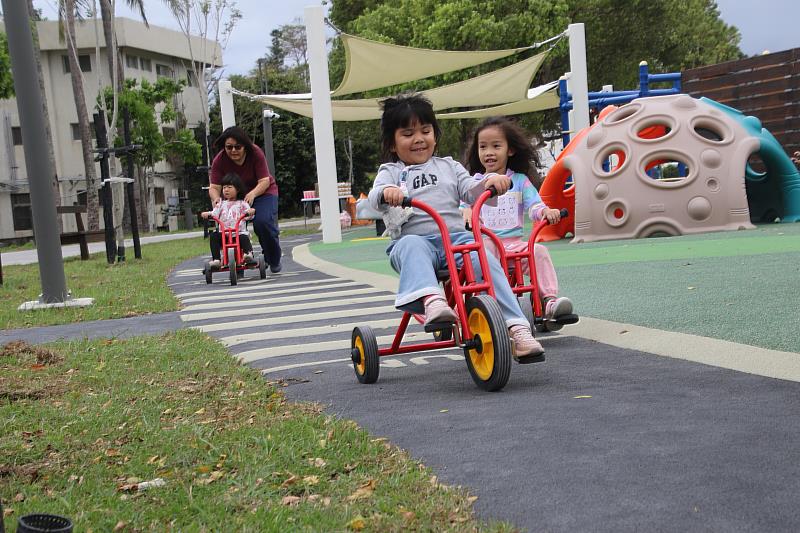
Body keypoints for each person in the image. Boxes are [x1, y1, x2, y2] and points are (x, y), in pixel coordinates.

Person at [366, 93, 545, 362]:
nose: (418, 139)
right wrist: (386, 192)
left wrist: (490, 182)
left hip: (456, 240)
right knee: (411, 245)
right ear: (392, 143)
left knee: (483, 257)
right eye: (408, 133)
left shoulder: (448, 166)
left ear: (434, 135)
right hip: (415, 241)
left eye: (425, 131)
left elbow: (472, 189)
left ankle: (518, 328)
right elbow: (374, 196)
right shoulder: (390, 171)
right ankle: (433, 302)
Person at [462, 116, 573, 327]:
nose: (488, 153)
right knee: (484, 253)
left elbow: (535, 206)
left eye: (496, 146)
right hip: (487, 244)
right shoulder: (474, 183)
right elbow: (464, 206)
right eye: (483, 147)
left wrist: (546, 212)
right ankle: (492, 305)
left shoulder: (520, 181)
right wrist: (466, 212)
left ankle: (549, 300)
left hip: (514, 245)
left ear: (510, 150)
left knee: (538, 251)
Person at [209, 126, 282, 273]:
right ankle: (236, 260)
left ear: (245, 146)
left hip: (262, 192)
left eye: (238, 147)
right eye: (229, 147)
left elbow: (265, 181)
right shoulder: (219, 160)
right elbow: (214, 187)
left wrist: (253, 193)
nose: (233, 151)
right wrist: (217, 199)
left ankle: (272, 258)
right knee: (229, 228)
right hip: (234, 197)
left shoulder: (255, 153)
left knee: (263, 222)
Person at [201, 173, 256, 269]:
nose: (226, 190)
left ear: (237, 189)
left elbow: (249, 214)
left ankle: (248, 255)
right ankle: (217, 260)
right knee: (213, 236)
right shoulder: (221, 204)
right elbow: (214, 214)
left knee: (244, 237)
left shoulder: (242, 204)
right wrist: (207, 214)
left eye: (229, 187)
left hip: (238, 234)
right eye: (224, 187)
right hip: (224, 235)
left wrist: (251, 212)